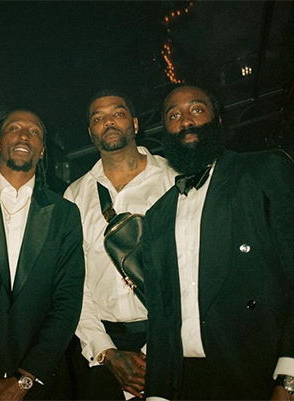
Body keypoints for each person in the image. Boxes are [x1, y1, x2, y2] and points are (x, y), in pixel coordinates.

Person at [142, 84, 294, 401]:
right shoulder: (156, 216)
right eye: (173, 115)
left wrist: (292, 377)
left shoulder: (266, 170)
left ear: (217, 120)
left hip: (267, 370)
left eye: (197, 109)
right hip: (190, 384)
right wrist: (157, 394)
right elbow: (161, 316)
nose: (186, 121)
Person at [64, 90, 178, 400]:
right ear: (91, 132)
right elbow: (73, 283)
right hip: (104, 348)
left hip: (172, 338)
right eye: (98, 118)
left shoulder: (173, 178)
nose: (109, 122)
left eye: (118, 113)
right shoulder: (75, 195)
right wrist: (105, 350)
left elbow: (191, 266)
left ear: (135, 123)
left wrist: (154, 348)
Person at [0, 109, 85, 401]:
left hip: (40, 384)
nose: (24, 136)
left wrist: (26, 378)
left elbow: (67, 300)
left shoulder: (65, 213)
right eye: (14, 128)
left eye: (34, 132)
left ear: (42, 150)